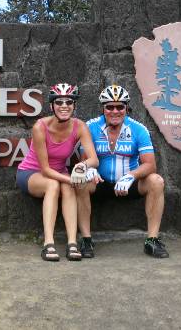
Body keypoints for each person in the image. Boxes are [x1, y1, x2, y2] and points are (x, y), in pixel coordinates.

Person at [76, 84, 169, 258]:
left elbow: (150, 165)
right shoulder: (91, 127)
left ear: (127, 108)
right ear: (103, 108)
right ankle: (86, 240)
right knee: (80, 182)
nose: (115, 111)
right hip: (100, 182)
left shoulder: (138, 129)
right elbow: (84, 160)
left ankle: (152, 240)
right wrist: (89, 170)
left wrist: (130, 176)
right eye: (109, 107)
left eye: (120, 107)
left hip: (129, 184)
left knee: (157, 181)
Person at [16, 83, 99, 261]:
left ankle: (72, 243)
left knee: (68, 187)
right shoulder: (40, 126)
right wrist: (71, 179)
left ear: (74, 105)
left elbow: (94, 159)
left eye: (69, 102)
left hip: (59, 172)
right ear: (52, 106)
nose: (64, 106)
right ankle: (48, 243)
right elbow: (45, 169)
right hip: (32, 173)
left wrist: (82, 166)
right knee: (55, 184)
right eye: (59, 102)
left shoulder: (80, 126)